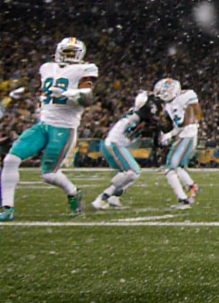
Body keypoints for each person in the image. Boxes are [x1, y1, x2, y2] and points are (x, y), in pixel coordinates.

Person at [1, 37, 99, 220]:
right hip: (43, 125)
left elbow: (88, 100)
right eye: (65, 52)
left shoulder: (85, 69)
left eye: (72, 53)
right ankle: (7, 208)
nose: (68, 56)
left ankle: (73, 192)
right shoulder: (46, 68)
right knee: (10, 160)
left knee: (48, 174)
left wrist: (70, 94)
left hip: (64, 128)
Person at [91, 90, 161, 210]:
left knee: (133, 174)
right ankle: (102, 198)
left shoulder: (134, 115)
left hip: (114, 144)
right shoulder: (137, 115)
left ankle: (114, 198)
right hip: (114, 144)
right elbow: (148, 119)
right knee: (132, 171)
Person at [154, 78, 202, 209]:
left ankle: (183, 199)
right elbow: (180, 124)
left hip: (187, 134)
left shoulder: (186, 96)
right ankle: (192, 187)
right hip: (186, 134)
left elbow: (193, 117)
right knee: (179, 166)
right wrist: (170, 133)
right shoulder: (170, 105)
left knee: (170, 168)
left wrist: (172, 133)